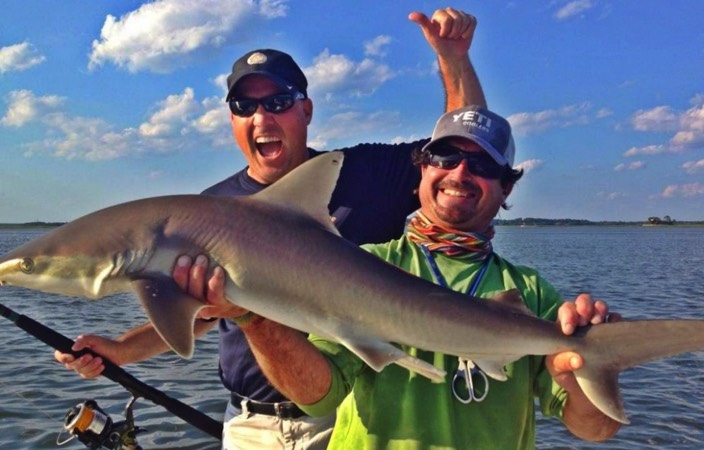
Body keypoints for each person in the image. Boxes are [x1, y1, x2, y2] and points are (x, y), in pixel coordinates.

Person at [55, 8, 486, 450]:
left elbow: (465, 148)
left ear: (306, 110)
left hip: (355, 416)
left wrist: (453, 60)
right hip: (249, 426)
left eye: (278, 101)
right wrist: (120, 350)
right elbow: (196, 312)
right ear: (233, 121)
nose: (262, 117)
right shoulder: (208, 212)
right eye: (245, 106)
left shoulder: (365, 175)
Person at [191, 105, 624, 448]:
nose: (459, 173)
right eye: (445, 156)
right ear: (422, 167)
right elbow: (317, 394)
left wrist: (579, 378)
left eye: (482, 165)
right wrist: (251, 317)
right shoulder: (364, 266)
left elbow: (594, 430)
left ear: (506, 187)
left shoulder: (530, 293)